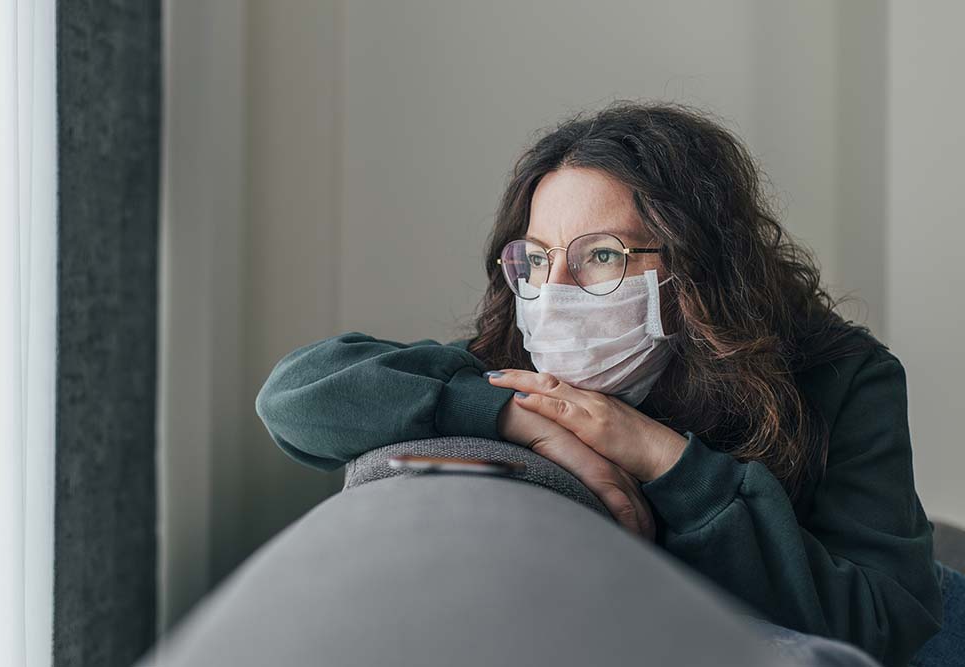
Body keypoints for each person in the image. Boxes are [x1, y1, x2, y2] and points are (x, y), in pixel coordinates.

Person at [255, 101, 962, 667]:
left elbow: (889, 619)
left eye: (602, 255)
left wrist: (664, 460)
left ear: (696, 266)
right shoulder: (516, 367)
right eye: (535, 257)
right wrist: (515, 416)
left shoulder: (843, 374)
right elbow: (293, 395)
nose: (553, 288)